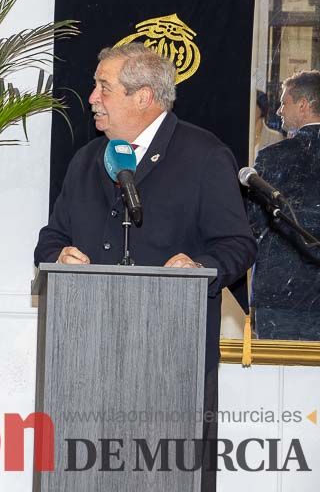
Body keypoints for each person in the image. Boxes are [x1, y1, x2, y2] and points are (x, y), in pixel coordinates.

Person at [34, 43, 255, 492]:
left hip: (173, 364)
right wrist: (59, 255)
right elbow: (52, 236)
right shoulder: (86, 161)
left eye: (103, 87)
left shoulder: (204, 155)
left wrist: (199, 267)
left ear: (143, 97)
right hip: (84, 361)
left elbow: (237, 245)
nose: (92, 97)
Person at [246, 70, 320, 340]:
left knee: (278, 377)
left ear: (303, 105)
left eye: (284, 102)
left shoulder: (272, 157)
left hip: (280, 293)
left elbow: (253, 221)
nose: (279, 111)